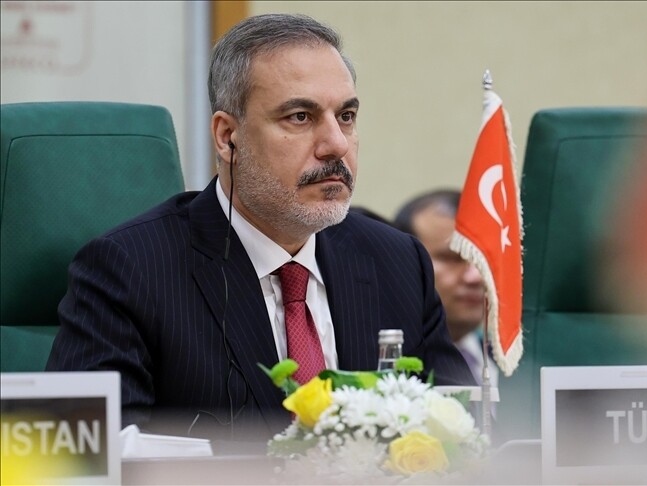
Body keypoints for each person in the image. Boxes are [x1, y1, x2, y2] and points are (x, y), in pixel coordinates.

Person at [46, 13, 474, 446]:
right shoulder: (130, 269)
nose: (336, 144)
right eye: (300, 117)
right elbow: (84, 456)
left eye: (346, 116)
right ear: (227, 136)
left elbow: (460, 437)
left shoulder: (397, 261)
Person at [394, 189, 499, 389]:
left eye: (483, 259)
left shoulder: (512, 366)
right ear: (404, 262)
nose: (475, 277)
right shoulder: (385, 368)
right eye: (452, 258)